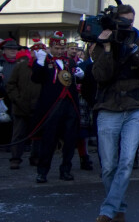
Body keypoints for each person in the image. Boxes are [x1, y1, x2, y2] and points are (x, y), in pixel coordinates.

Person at [91, 4, 139, 222]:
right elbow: (101, 75)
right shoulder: (101, 43)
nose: (127, 25)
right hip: (108, 108)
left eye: (131, 21)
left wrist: (132, 48)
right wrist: (108, 47)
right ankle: (119, 207)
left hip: (133, 108)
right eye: (123, 21)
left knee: (127, 162)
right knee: (109, 165)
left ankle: (107, 211)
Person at [30, 33, 82, 183]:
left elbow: (74, 79)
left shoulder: (70, 62)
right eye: (57, 48)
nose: (60, 51)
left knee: (70, 141)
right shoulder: (44, 61)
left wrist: (79, 75)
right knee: (48, 141)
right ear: (51, 47)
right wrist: (39, 62)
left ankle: (65, 170)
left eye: (62, 48)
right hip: (52, 106)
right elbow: (36, 78)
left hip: (69, 105)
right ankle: (42, 171)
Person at [6, 41, 40, 170]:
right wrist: (16, 99)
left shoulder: (43, 67)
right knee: (18, 134)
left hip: (37, 106)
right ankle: (15, 158)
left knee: (37, 135)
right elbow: (11, 84)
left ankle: (35, 157)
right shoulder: (20, 66)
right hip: (20, 106)